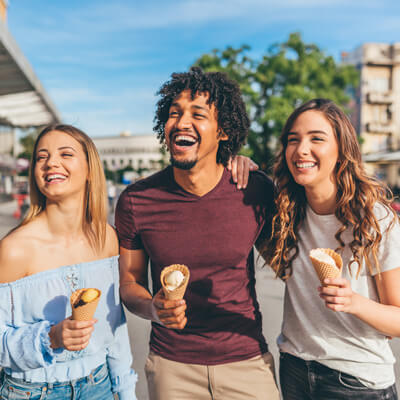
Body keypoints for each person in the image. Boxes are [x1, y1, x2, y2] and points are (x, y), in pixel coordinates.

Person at [115, 67, 280, 400]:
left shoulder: (254, 190)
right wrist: (153, 309)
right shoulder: (136, 200)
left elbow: (286, 265)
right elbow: (130, 283)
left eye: (197, 114)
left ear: (224, 131)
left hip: (247, 363)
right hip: (171, 367)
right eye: (174, 113)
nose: (182, 122)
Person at [233, 98, 400, 399]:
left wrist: (353, 302)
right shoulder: (285, 212)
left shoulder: (376, 218)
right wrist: (240, 162)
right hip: (295, 368)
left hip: (356, 380)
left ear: (341, 150)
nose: (301, 150)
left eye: (317, 139)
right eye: (292, 140)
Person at [0, 125, 137, 399]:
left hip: (101, 386)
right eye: (42, 157)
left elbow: (114, 330)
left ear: (89, 170)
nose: (51, 162)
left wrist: (125, 391)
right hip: (32, 392)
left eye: (65, 154)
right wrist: (50, 338)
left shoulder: (107, 238)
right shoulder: (14, 250)